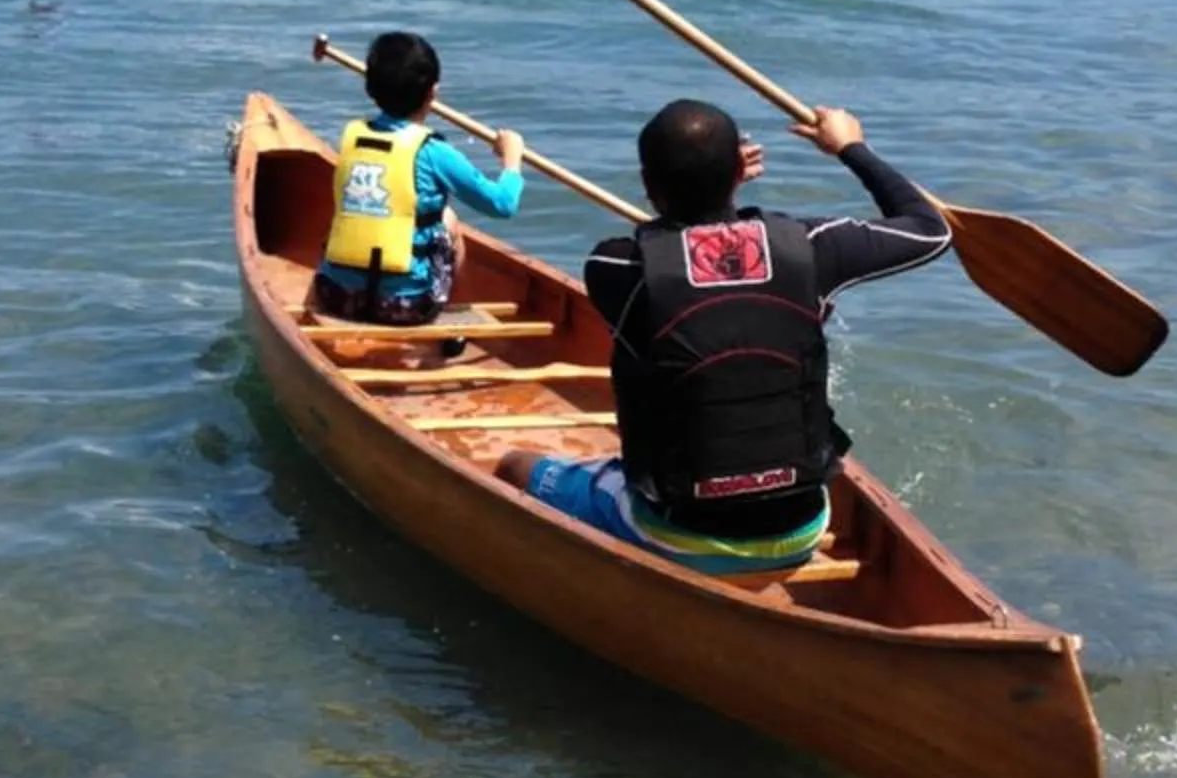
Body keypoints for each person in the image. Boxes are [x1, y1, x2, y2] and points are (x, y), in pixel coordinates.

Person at [496, 96, 950, 576]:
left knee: (513, 468)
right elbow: (929, 230)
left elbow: (660, 254)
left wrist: (708, 194)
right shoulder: (814, 248)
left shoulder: (613, 268)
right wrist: (850, 148)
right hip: (799, 525)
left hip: (678, 527)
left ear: (648, 185)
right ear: (740, 170)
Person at [313, 31, 526, 326]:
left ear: (370, 89)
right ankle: (454, 323)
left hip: (336, 297)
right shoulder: (433, 152)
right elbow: (503, 204)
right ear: (433, 93)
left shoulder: (351, 138)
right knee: (448, 220)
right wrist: (512, 159)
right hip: (406, 307)